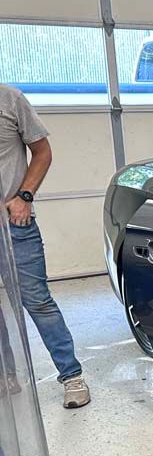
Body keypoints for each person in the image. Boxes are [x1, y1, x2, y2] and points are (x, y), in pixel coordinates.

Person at [0, 84, 90, 408]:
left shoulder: (10, 100)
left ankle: (72, 375)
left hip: (14, 224)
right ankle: (6, 376)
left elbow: (43, 152)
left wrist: (24, 197)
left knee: (37, 301)